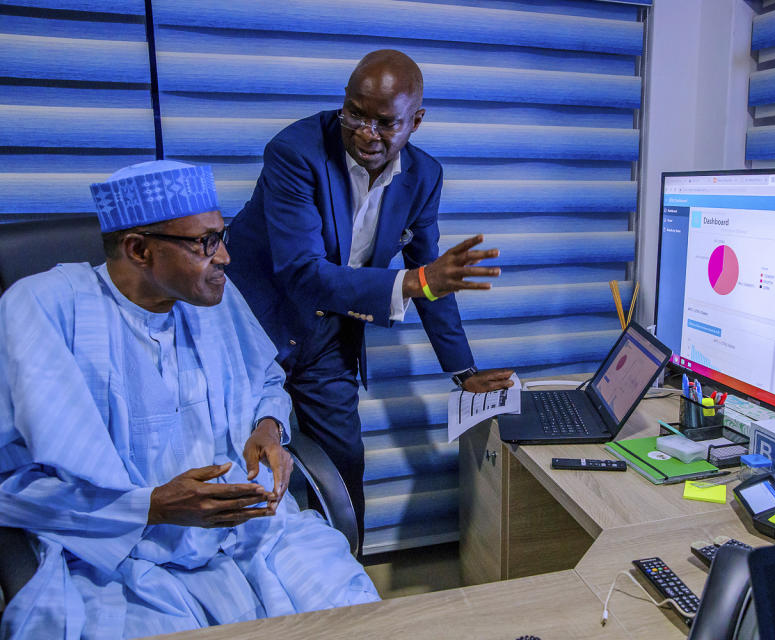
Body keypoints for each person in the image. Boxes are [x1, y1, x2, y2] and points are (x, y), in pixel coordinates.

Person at [0, 161, 378, 640]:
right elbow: (13, 482)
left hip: (248, 530)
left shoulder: (208, 297)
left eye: (222, 236)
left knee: (354, 611)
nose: (224, 258)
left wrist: (268, 429)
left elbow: (265, 380)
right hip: (115, 553)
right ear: (139, 249)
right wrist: (153, 507)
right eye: (205, 243)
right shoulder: (44, 308)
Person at [226, 49, 514, 546]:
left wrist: (463, 371)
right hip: (251, 332)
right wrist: (414, 281)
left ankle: (347, 587)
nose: (365, 132)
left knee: (342, 472)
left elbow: (432, 281)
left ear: (415, 122)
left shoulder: (424, 177)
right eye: (354, 114)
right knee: (244, 470)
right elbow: (301, 272)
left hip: (326, 339)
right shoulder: (294, 152)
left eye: (384, 122)